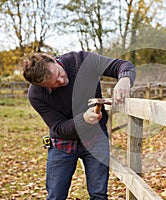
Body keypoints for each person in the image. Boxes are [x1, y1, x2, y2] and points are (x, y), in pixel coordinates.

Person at [18, 51, 136, 199]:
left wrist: (124, 79)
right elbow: (60, 128)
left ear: (55, 60)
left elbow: (124, 66)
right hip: (62, 144)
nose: (61, 81)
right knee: (55, 195)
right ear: (40, 85)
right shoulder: (36, 95)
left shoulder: (80, 61)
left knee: (98, 194)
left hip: (95, 138)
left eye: (59, 73)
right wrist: (84, 119)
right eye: (54, 83)